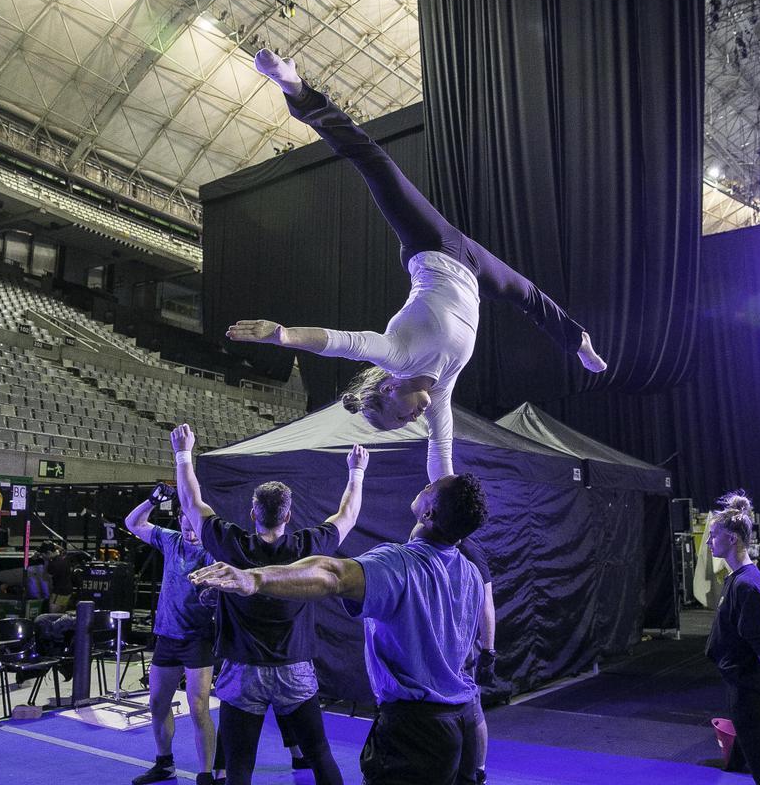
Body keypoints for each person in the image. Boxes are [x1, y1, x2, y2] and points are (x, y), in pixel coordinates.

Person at [226, 49, 607, 483]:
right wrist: (441, 499)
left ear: (388, 390)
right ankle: (577, 340)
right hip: (475, 268)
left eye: (399, 418)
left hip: (433, 247)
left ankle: (295, 88)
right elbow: (440, 450)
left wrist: (282, 335)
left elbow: (341, 342)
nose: (413, 420)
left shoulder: (397, 358)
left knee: (374, 163)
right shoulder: (440, 390)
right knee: (526, 295)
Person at [191, 472, 490, 785]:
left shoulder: (400, 563)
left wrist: (254, 579)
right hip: (462, 723)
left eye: (431, 488)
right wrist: (357, 474)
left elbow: (332, 575)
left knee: (246, 763)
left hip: (415, 730)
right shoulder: (469, 572)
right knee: (318, 753)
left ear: (428, 514)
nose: (426, 484)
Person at [170, 423, 363, 785]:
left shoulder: (231, 545)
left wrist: (183, 452)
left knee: (240, 766)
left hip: (243, 671)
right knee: (320, 754)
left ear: (252, 513)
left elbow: (191, 502)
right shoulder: (308, 548)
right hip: (295, 669)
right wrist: (357, 471)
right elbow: (348, 515)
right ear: (288, 516)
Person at [122, 483, 217, 785]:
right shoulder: (171, 541)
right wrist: (152, 500)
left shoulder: (214, 552)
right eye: (187, 528)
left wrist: (212, 590)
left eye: (196, 530)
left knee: (199, 707)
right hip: (167, 636)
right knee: (157, 704)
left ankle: (206, 776)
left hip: (198, 638)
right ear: (179, 521)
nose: (192, 535)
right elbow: (132, 523)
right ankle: (165, 764)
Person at [704, 491, 760, 785]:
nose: (708, 542)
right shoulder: (736, 579)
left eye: (713, 535)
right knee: (753, 759)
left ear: (732, 538)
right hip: (740, 681)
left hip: (747, 687)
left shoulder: (747, 585)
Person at [458, 537, 496, 784]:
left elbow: (486, 602)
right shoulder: (433, 541)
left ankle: (478, 770)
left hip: (465, 645)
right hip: (444, 642)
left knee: (472, 708)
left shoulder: (468, 550)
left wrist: (488, 651)